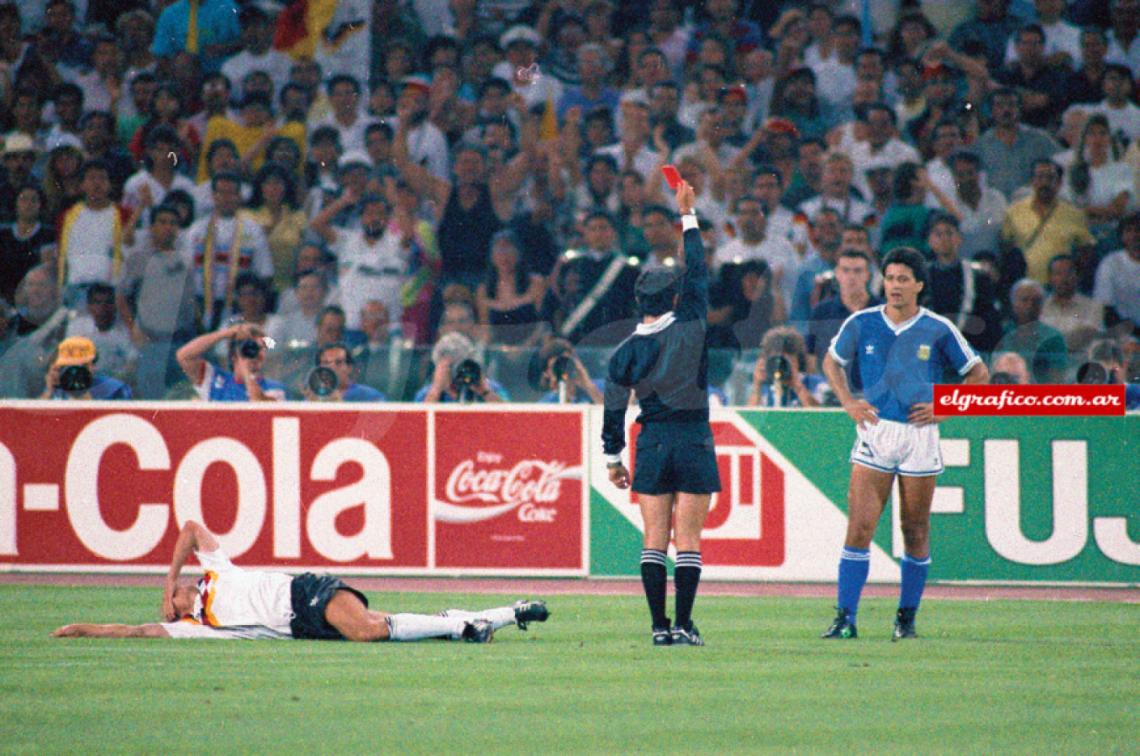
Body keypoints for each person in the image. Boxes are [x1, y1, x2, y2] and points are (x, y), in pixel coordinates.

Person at [821, 246, 988, 641]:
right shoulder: (862, 323)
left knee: (914, 529)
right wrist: (847, 401)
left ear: (918, 284)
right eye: (890, 278)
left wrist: (945, 410)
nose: (894, 286)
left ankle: (906, 618)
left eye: (902, 279)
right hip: (876, 432)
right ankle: (845, 618)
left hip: (918, 436)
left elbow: (979, 375)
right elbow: (832, 362)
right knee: (859, 527)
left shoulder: (938, 328)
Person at [53, 520, 549, 642]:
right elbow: (139, 632)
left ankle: (472, 622)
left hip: (301, 591)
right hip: (300, 626)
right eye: (176, 600)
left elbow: (189, 527)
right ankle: (478, 620)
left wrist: (167, 584)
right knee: (379, 627)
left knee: (369, 631)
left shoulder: (214, 573)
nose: (176, 601)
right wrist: (84, 629)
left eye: (179, 596)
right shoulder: (197, 626)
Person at [602, 179, 718, 647]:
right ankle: (685, 624)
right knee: (686, 541)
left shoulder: (624, 352)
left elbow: (613, 412)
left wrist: (613, 460)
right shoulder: (690, 324)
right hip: (693, 439)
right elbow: (699, 273)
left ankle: (658, 628)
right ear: (673, 298)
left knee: (653, 538)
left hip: (650, 441)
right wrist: (687, 214)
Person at [176, 321, 286, 401]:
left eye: (260, 348)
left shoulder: (275, 388)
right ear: (233, 354)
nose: (255, 353)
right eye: (249, 346)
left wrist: (246, 371)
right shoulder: (215, 380)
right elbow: (184, 356)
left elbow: (261, 409)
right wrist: (226, 334)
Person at [40, 335, 132, 400]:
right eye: (67, 366)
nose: (74, 373)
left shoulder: (114, 389)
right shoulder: (57, 388)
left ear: (92, 366)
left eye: (80, 366)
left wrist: (83, 395)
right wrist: (48, 391)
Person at [309, 342, 386, 402]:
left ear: (349, 368)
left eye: (338, 362)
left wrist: (339, 403)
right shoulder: (313, 397)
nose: (332, 367)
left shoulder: (371, 396)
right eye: (326, 363)